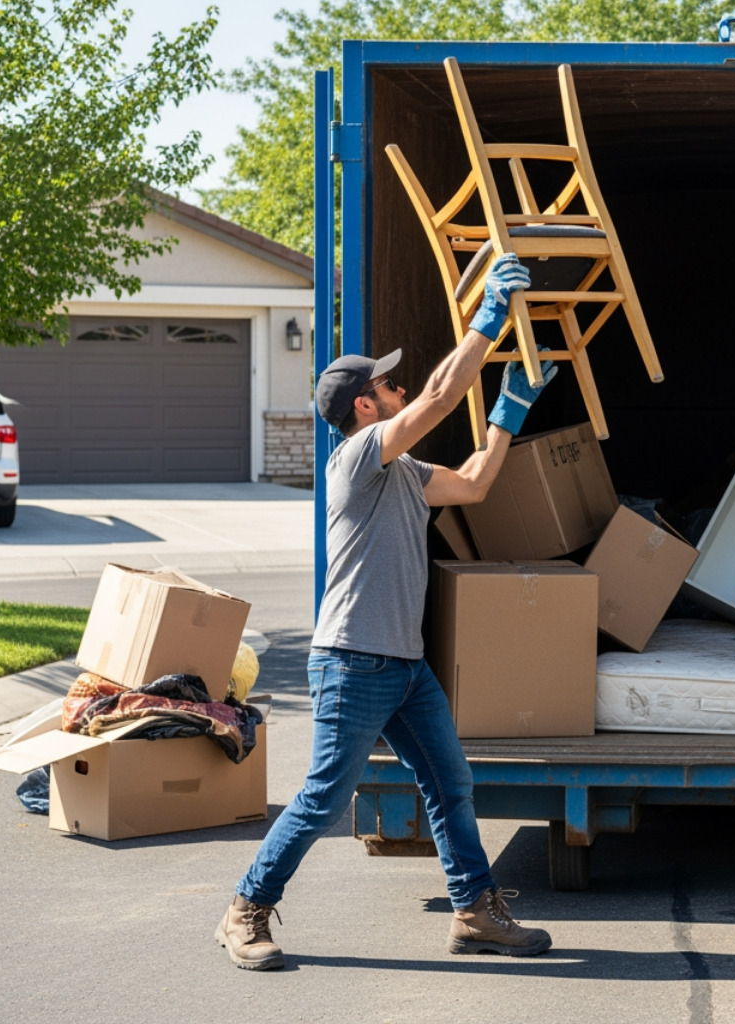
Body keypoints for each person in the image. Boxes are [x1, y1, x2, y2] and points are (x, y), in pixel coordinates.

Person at [217, 254, 558, 970]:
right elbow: (436, 396)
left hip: (403, 667)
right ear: (363, 407)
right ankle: (244, 909)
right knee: (322, 799)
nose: (399, 385)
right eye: (386, 381)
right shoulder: (355, 459)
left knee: (451, 782)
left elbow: (471, 485)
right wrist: (486, 322)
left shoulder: (400, 472)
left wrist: (509, 412)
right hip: (350, 662)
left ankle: (474, 914)